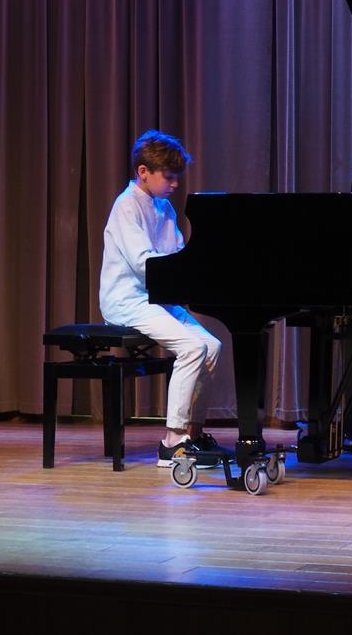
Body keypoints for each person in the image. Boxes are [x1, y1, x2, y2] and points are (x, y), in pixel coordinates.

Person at [99, 129, 231, 467]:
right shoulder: (126, 206)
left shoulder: (165, 208)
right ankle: (172, 441)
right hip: (127, 300)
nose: (175, 183)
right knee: (192, 347)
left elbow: (176, 255)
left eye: (176, 177)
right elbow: (144, 264)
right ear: (143, 171)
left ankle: (193, 433)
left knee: (212, 346)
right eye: (169, 177)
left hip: (156, 298)